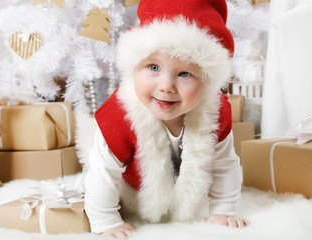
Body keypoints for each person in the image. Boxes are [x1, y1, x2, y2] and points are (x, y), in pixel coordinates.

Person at [85, 0, 249, 239]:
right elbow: (102, 171)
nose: (165, 87)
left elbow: (225, 164)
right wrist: (106, 221)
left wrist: (223, 210)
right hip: (131, 192)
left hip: (177, 189)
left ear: (208, 80)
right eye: (153, 67)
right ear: (134, 66)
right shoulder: (120, 114)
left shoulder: (216, 112)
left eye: (184, 73)